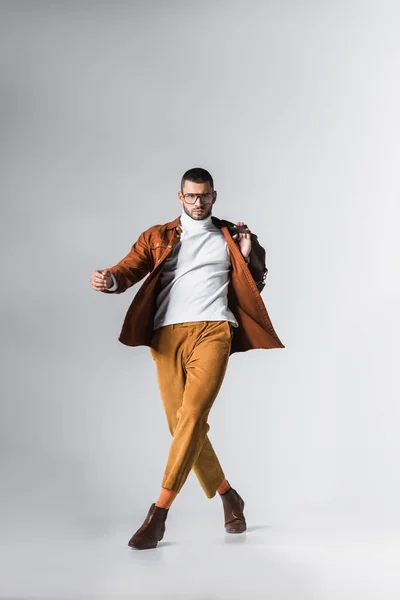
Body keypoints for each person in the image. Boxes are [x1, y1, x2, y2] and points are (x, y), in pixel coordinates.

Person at [90, 167, 284, 550]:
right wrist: (110, 280)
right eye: (191, 196)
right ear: (180, 197)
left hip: (214, 330)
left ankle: (158, 515)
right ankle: (229, 495)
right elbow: (130, 268)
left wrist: (245, 255)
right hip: (166, 335)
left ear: (215, 196)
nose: (198, 203)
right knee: (181, 427)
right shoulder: (157, 236)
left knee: (193, 417)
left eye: (205, 196)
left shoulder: (233, 236)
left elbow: (254, 284)